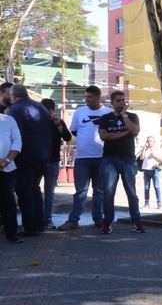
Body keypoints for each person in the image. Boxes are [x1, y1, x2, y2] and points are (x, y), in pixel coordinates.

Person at [58, 85, 112, 231]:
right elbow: (74, 131)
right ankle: (73, 220)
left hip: (102, 158)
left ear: (98, 97)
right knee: (80, 192)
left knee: (99, 191)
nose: (86, 99)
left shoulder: (108, 112)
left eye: (89, 97)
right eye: (85, 97)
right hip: (82, 159)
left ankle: (98, 218)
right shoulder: (79, 112)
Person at [7, 84, 52, 235]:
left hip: (25, 156)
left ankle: (31, 227)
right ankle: (39, 224)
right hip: (43, 155)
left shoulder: (15, 109)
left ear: (13, 96)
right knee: (35, 189)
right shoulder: (40, 107)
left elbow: (16, 135)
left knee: (25, 192)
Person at [99, 90, 144, 234]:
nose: (121, 103)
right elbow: (104, 136)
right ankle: (107, 223)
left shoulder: (132, 116)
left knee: (131, 193)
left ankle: (136, 222)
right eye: (118, 101)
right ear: (112, 103)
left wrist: (124, 115)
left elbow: (135, 131)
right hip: (109, 160)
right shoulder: (106, 118)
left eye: (123, 100)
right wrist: (125, 133)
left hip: (128, 159)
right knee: (108, 193)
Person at [40, 98, 72, 229]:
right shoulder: (37, 122)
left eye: (49, 110)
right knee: (34, 189)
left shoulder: (58, 122)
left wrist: (58, 124)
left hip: (52, 160)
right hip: (38, 160)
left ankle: (47, 218)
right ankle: (37, 217)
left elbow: (67, 138)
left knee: (49, 191)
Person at [0, 112, 22, 243]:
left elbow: (17, 141)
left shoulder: (8, 120)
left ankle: (12, 233)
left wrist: (7, 160)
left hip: (7, 168)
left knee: (8, 201)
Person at [138, 135, 162, 208]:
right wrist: (144, 148)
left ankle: (159, 203)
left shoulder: (158, 149)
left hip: (154, 170)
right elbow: (141, 157)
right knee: (146, 187)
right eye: (148, 141)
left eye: (150, 141)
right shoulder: (146, 150)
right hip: (146, 170)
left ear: (154, 142)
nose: (149, 142)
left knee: (156, 186)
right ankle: (147, 203)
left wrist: (154, 155)